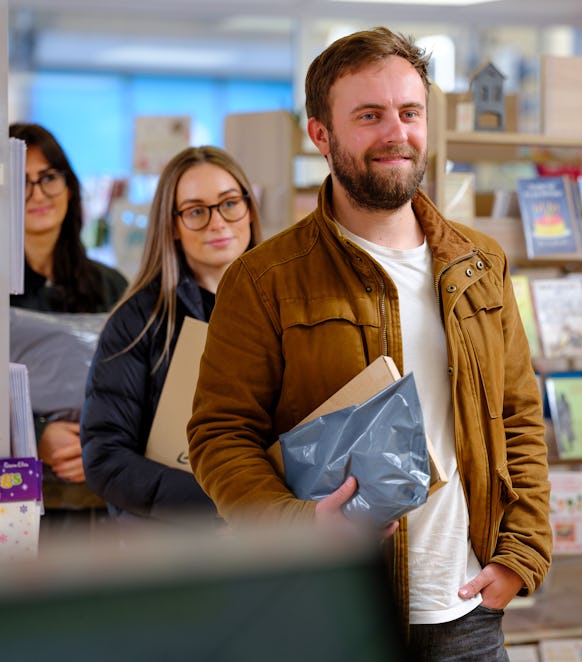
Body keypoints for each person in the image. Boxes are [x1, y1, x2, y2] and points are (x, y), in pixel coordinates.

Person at [188, 26, 551, 660]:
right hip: (328, 610)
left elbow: (517, 417)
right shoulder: (264, 279)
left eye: (410, 113)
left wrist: (523, 552)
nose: (396, 133)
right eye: (369, 115)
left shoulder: (479, 264)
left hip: (466, 609)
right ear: (320, 135)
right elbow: (219, 436)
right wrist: (299, 527)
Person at [80, 146, 262, 525]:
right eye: (196, 211)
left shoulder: (283, 309)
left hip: (273, 538)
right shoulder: (137, 323)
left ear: (249, 207)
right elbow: (106, 459)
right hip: (175, 546)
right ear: (172, 226)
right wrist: (225, 503)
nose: (218, 222)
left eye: (230, 203)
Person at [9, 122, 129, 530]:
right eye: (20, 182)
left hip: (99, 495)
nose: (37, 194)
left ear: (70, 187)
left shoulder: (111, 285)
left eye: (48, 178)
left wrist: (100, 441)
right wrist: (37, 435)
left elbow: (144, 384)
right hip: (14, 501)